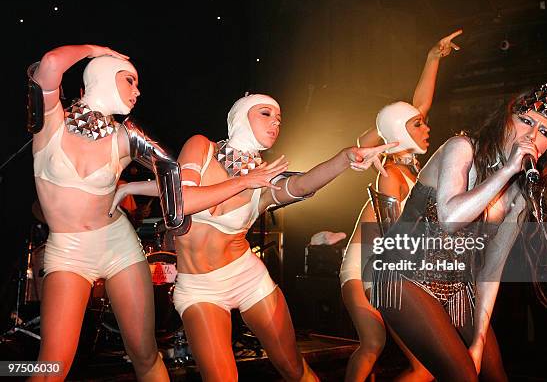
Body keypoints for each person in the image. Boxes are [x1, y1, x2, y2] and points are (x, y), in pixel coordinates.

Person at [112, 93, 395, 381]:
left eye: (279, 118)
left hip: (247, 277)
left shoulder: (262, 177)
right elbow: (182, 200)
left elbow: (301, 184)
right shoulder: (202, 147)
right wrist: (129, 187)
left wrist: (345, 158)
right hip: (200, 288)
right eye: (265, 113)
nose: (275, 122)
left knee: (292, 368)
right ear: (240, 115)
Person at [365, 77, 547, 382]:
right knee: (462, 376)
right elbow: (451, 218)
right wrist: (506, 171)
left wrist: (478, 340)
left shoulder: (519, 194)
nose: (531, 134)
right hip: (402, 273)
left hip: (457, 285)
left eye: (543, 131)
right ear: (507, 120)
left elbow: (492, 269)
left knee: (494, 374)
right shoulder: (461, 148)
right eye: (526, 120)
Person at [29, 44, 169, 381]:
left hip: (117, 244)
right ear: (104, 78)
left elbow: (174, 177)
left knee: (144, 354)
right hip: (68, 252)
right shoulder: (51, 123)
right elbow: (49, 63)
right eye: (129, 80)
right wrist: (97, 49)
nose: (138, 91)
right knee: (52, 366)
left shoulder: (125, 136)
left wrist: (131, 188)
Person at [339, 30, 461, 382]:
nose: (427, 126)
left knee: (424, 368)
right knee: (373, 343)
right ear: (397, 133)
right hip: (366, 264)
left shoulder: (414, 168)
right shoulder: (389, 170)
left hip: (394, 266)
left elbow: (414, 112)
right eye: (418, 125)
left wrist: (433, 58)